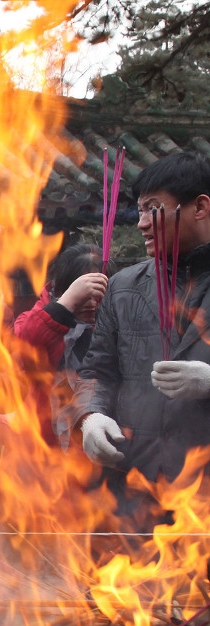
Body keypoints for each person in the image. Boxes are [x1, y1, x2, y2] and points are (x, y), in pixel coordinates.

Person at [76, 151, 210, 525]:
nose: (142, 224)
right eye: (139, 211)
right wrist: (91, 416)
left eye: (153, 209)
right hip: (134, 491)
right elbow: (96, 372)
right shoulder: (123, 287)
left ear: (200, 207)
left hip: (203, 499)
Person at [11, 243, 106, 447]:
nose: (91, 304)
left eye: (97, 295)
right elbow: (24, 349)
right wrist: (65, 305)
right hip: (43, 449)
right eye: (83, 295)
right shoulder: (33, 319)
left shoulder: (111, 327)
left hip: (94, 448)